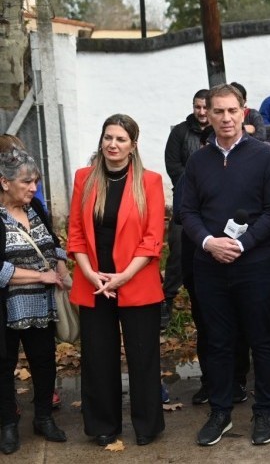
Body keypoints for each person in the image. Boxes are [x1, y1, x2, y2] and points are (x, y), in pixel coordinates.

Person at [181, 84, 270, 447]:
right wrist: (209, 242)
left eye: (232, 110)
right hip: (209, 266)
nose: (226, 118)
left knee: (261, 339)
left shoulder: (266, 156)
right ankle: (220, 412)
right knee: (218, 341)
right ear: (207, 116)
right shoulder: (197, 161)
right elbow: (187, 212)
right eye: (218, 111)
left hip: (254, 265)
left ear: (244, 112)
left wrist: (241, 244)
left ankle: (265, 410)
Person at [67, 115, 166, 446]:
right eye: (108, 137)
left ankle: (147, 425)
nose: (113, 144)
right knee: (98, 358)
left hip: (135, 279)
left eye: (121, 139)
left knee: (143, 356)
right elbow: (75, 232)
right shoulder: (84, 178)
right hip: (94, 281)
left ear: (132, 146)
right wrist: (88, 272)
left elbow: (153, 238)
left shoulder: (149, 181)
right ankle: (103, 425)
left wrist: (124, 276)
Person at [0, 149, 68, 455]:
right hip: (6, 306)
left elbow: (54, 243)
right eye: (26, 182)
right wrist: (41, 276)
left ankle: (43, 418)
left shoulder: (36, 207)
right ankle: (7, 425)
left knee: (44, 361)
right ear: (4, 182)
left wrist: (63, 270)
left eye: (35, 181)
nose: (34, 188)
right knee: (4, 366)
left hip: (40, 304)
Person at [163, 90, 209, 322]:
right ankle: (167, 297)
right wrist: (194, 180)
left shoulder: (217, 131)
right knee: (179, 249)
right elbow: (173, 165)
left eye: (205, 107)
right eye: (197, 107)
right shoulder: (180, 132)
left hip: (212, 203)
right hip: (186, 200)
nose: (201, 112)